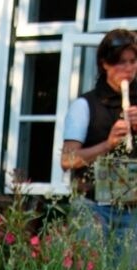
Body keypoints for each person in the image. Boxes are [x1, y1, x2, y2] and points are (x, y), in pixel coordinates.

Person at [61, 28, 137, 251]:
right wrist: (108, 144)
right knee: (90, 269)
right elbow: (67, 160)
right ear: (105, 64)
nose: (128, 69)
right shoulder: (84, 106)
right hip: (92, 207)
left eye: (133, 62)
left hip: (132, 209)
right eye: (120, 62)